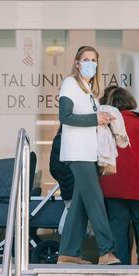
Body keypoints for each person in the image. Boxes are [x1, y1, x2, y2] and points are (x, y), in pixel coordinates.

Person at [56, 46, 120, 265]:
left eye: (94, 60)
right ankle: (106, 252)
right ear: (76, 62)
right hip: (77, 152)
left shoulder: (90, 90)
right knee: (95, 201)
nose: (90, 63)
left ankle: (68, 254)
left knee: (80, 204)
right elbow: (65, 116)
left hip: (89, 153)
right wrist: (95, 119)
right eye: (86, 59)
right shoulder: (70, 84)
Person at [100, 86, 139, 264]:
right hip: (137, 186)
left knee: (117, 228)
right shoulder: (137, 121)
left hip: (112, 185)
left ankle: (121, 269)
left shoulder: (103, 123)